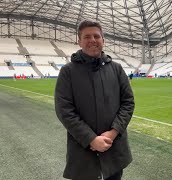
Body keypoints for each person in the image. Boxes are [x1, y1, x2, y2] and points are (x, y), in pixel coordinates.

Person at [54, 19, 135, 180]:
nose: (92, 40)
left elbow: (128, 103)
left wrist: (113, 133)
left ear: (103, 40)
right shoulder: (68, 72)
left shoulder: (117, 69)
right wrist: (91, 139)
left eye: (96, 36)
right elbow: (64, 110)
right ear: (79, 41)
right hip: (83, 153)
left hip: (114, 151)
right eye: (87, 36)